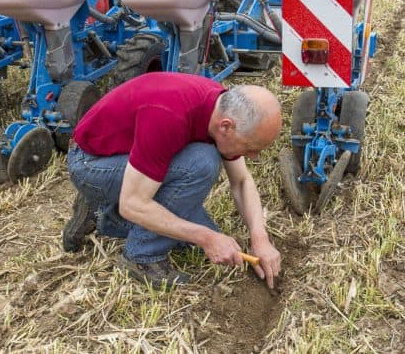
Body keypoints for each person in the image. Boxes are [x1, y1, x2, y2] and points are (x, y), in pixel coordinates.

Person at [63, 71, 282, 289]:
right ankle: (141, 256)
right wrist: (206, 238)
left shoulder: (220, 107)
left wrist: (259, 238)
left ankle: (101, 214)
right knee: (202, 163)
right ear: (226, 126)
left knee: (192, 242)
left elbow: (241, 181)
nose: (253, 156)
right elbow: (133, 204)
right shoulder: (169, 115)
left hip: (126, 160)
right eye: (250, 147)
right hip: (90, 164)